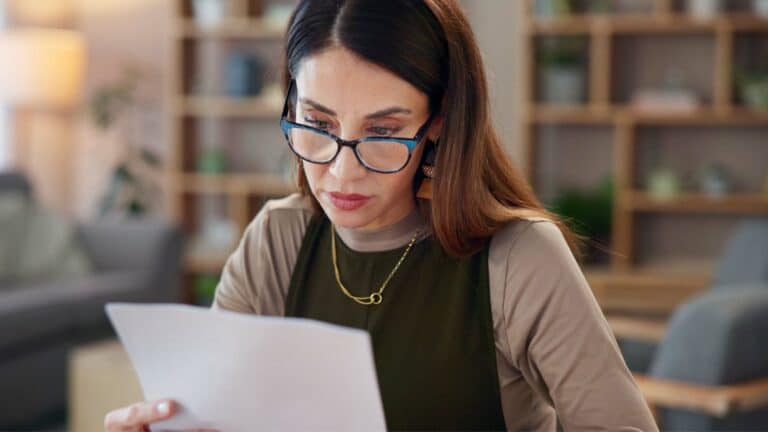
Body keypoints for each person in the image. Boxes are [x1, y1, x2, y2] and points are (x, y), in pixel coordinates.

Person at [105, 0, 659, 431]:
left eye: (383, 131)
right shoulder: (278, 240)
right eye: (317, 124)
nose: (342, 172)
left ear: (438, 122)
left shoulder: (518, 257)